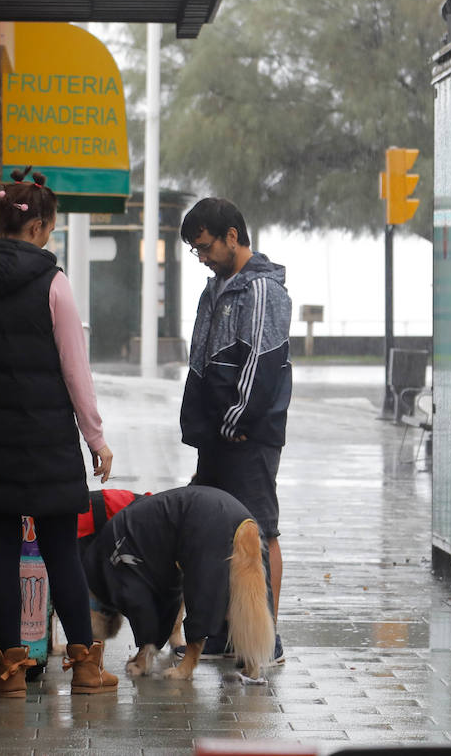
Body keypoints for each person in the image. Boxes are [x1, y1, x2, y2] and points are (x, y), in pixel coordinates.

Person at [0, 166, 118, 697]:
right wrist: (96, 439)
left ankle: (8, 674)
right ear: (38, 228)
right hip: (47, 443)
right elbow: (76, 371)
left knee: (1, 555)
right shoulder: (53, 284)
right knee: (61, 553)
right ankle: (83, 667)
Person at [178, 197, 291, 659]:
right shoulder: (215, 289)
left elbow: (260, 367)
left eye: (205, 247)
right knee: (212, 529)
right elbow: (201, 361)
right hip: (217, 436)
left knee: (260, 532)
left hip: (249, 436)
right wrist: (202, 424)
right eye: (194, 251)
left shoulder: (264, 290)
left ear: (232, 236)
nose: (202, 258)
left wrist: (235, 421)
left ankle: (265, 642)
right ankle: (228, 629)